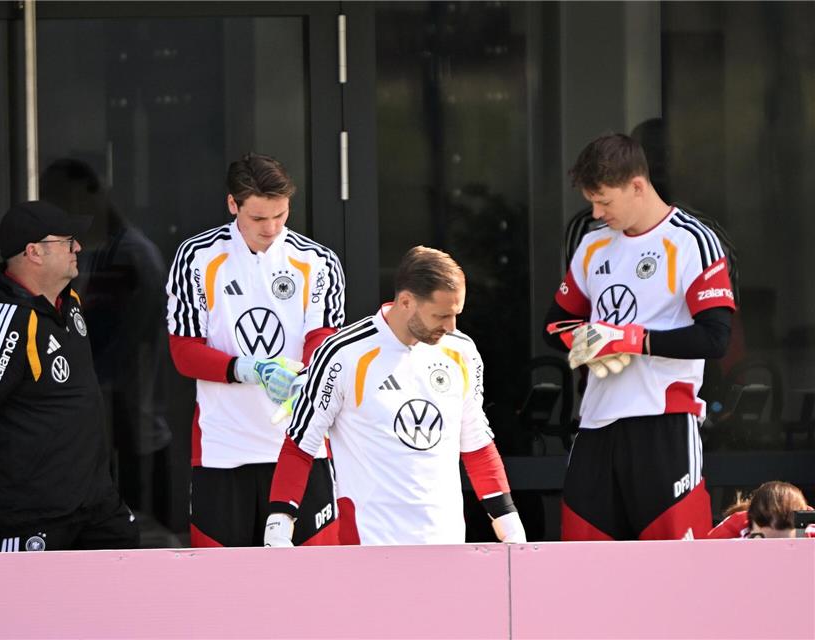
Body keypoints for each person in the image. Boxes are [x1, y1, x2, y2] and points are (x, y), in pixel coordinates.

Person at [264, 246, 525, 546]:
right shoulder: (343, 353)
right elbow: (300, 445)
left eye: (456, 314)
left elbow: (477, 443)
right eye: (440, 315)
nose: (451, 326)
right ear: (406, 302)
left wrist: (511, 526)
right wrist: (279, 526)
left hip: (446, 542)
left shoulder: (462, 351)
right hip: (369, 544)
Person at [544, 133, 736, 541]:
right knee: (584, 570)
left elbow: (715, 338)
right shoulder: (592, 245)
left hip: (663, 423)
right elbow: (554, 324)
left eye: (604, 201)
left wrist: (630, 340)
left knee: (676, 573)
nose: (595, 213)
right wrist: (586, 341)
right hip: (596, 425)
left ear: (637, 185)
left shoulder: (692, 240)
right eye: (591, 202)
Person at [0, 201, 138, 552]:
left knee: (125, 594)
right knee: (28, 607)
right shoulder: (10, 319)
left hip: (96, 503)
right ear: (34, 252)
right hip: (36, 514)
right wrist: (8, 456)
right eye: (67, 241)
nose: (78, 247)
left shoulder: (69, 301)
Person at [166, 153, 344, 547]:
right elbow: (184, 351)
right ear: (233, 205)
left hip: (302, 445)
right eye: (259, 218)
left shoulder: (317, 261)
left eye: (280, 215)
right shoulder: (197, 257)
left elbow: (324, 337)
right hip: (223, 448)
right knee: (222, 589)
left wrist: (305, 375)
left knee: (317, 584)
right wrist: (249, 369)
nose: (272, 228)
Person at [40, 159, 174, 529]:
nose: (60, 210)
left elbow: (119, 347)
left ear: (91, 191)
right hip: (113, 422)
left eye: (61, 197)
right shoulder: (99, 252)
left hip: (129, 425)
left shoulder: (129, 256)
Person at [707, 481, 813, 539]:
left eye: (786, 543)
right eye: (764, 540)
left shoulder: (810, 535)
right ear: (750, 526)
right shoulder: (732, 532)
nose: (774, 554)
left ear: (802, 531)